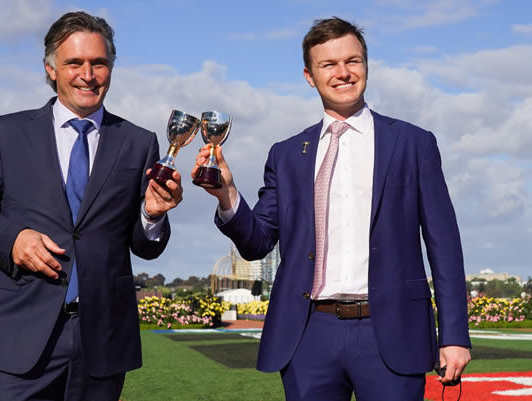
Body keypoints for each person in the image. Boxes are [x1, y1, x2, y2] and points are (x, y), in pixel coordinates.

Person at [193, 17, 471, 401]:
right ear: (309, 76)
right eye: (329, 64)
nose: (343, 73)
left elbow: (444, 244)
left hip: (391, 332)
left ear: (366, 66)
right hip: (309, 336)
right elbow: (257, 242)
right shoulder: (287, 154)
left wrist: (454, 335)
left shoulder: (413, 143)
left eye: (352, 61)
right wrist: (227, 195)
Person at [0, 11, 182, 401]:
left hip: (102, 341)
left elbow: (146, 246)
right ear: (51, 69)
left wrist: (153, 215)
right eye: (75, 63)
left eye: (98, 63)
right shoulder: (5, 133)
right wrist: (13, 240)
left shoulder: (139, 142)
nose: (87, 74)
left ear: (110, 69)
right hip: (17, 337)